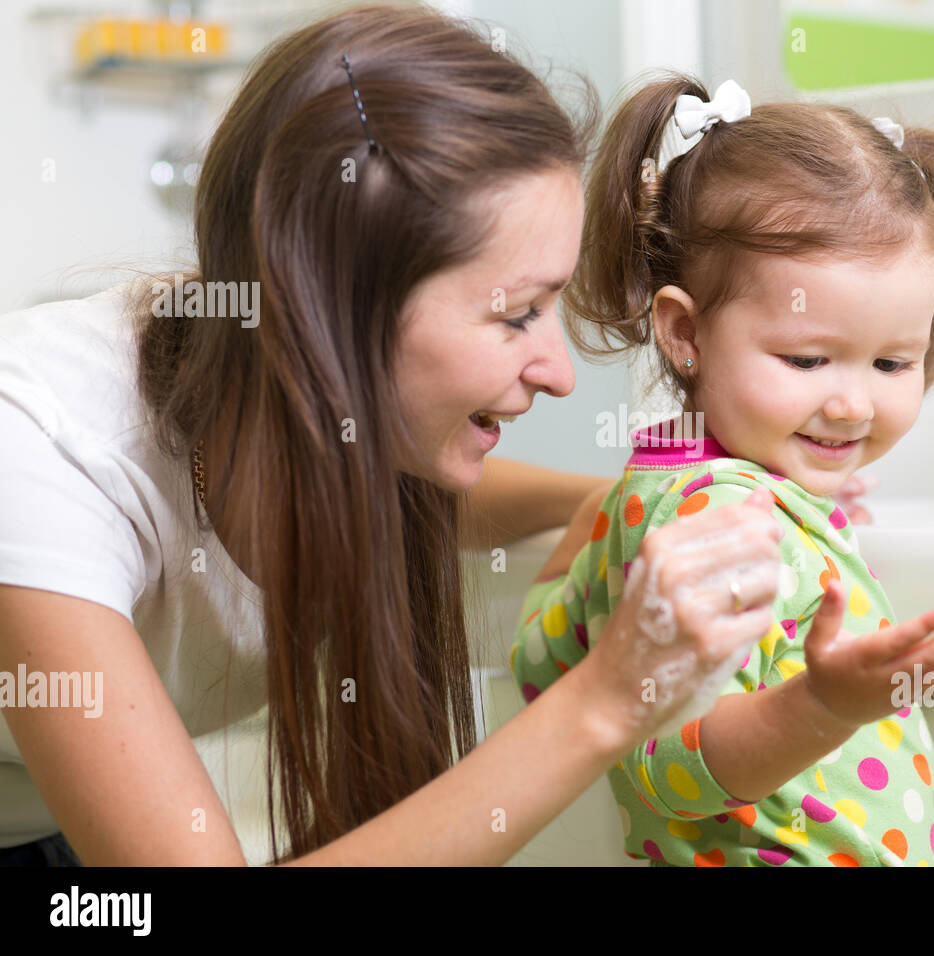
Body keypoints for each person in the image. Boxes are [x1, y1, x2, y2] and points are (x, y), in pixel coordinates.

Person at [0, 5, 788, 867]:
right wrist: (607, 701)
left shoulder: (281, 401)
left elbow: (451, 506)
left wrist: (621, 505)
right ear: (336, 307)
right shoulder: (43, 458)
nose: (559, 372)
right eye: (518, 312)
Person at [511, 75, 934, 866]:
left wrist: (591, 529)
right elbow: (663, 768)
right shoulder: (718, 524)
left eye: (890, 361)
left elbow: (539, 661)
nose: (850, 404)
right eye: (807, 359)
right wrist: (823, 704)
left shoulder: (675, 492)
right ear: (684, 332)